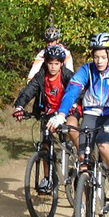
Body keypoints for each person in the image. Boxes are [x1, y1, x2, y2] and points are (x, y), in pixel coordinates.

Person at [46, 32, 109, 204]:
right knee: (82, 160)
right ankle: (81, 209)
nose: (98, 61)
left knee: (104, 145)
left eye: (103, 57)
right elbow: (72, 92)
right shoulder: (86, 70)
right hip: (91, 114)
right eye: (95, 57)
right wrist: (61, 114)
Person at [13, 46, 81, 191]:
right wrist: (19, 106)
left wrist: (75, 104)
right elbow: (29, 91)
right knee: (45, 144)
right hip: (49, 113)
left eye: (56, 63)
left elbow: (77, 91)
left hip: (68, 110)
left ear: (62, 63)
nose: (53, 67)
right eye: (50, 63)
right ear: (46, 63)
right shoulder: (41, 76)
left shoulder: (68, 76)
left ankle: (82, 159)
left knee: (71, 129)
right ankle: (47, 178)